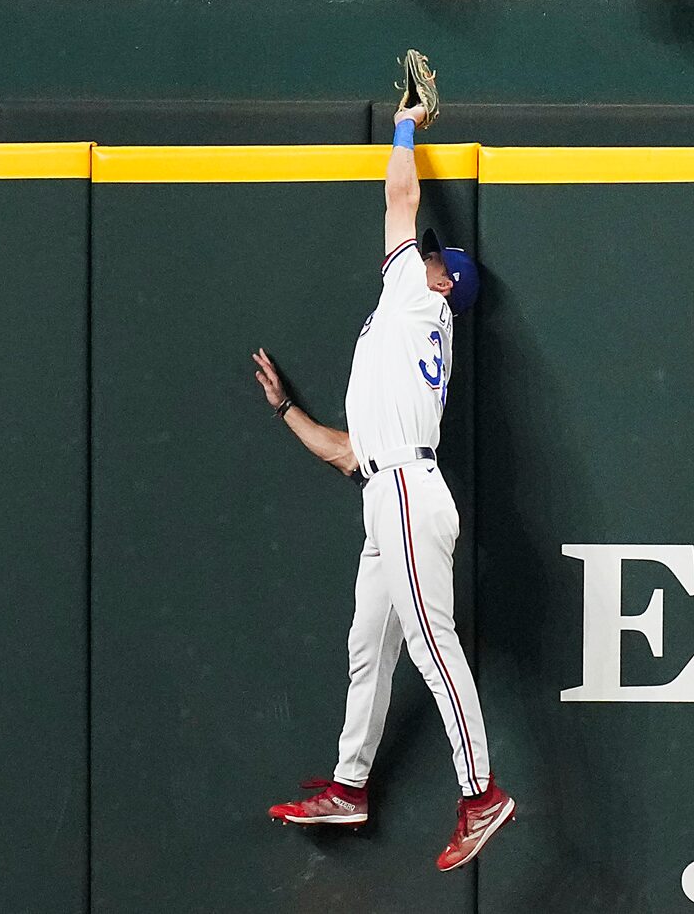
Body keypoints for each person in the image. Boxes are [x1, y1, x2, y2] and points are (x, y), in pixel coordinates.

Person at [262, 80, 516, 874]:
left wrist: (404, 126)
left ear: (447, 284)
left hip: (407, 493)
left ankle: (481, 793)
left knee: (432, 647)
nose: (424, 257)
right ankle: (348, 785)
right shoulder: (409, 313)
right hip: (388, 490)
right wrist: (286, 414)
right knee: (366, 648)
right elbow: (350, 454)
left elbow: (397, 196)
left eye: (439, 263)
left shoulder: (418, 298)